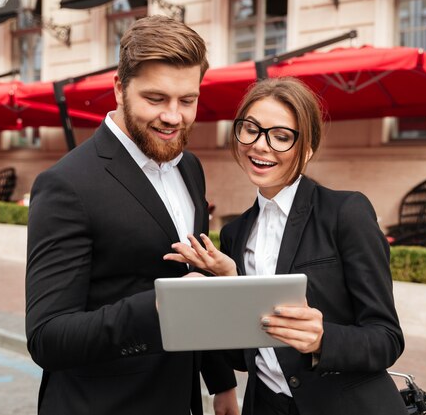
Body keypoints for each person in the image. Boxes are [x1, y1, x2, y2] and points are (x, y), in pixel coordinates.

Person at [25, 15, 238, 415]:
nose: (173, 116)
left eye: (187, 101)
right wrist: (159, 305)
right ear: (119, 88)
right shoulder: (65, 185)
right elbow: (47, 337)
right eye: (155, 99)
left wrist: (221, 379)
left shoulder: (190, 168)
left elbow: (191, 280)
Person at [164, 77, 408, 415]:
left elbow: (387, 338)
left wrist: (323, 340)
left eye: (281, 137)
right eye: (251, 129)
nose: (260, 146)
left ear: (307, 149)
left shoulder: (345, 213)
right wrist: (228, 287)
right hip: (264, 406)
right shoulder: (235, 233)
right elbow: (244, 358)